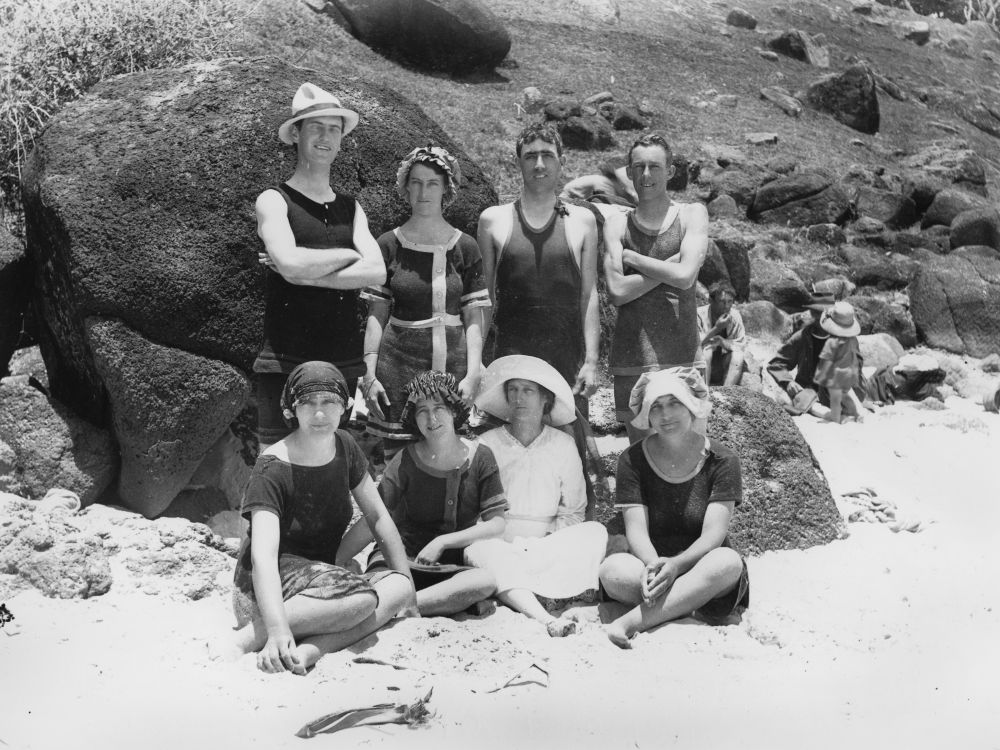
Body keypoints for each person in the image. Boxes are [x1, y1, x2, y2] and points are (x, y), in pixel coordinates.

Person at [221, 361, 414, 674]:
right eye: (307, 403)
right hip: (265, 592)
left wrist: (409, 592)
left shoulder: (345, 446)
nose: (319, 414)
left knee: (400, 586)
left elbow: (377, 516)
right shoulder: (272, 468)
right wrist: (277, 630)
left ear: (346, 406)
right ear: (290, 410)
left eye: (329, 402)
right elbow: (263, 558)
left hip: (323, 577)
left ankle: (314, 648)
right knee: (363, 601)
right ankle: (249, 638)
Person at [254, 82, 386, 449]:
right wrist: (349, 256)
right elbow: (290, 263)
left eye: (334, 128)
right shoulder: (273, 200)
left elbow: (377, 272)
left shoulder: (351, 207)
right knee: (274, 466)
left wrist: (308, 273)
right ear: (296, 133)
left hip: (342, 360)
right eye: (316, 127)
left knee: (334, 469)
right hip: (283, 359)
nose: (326, 137)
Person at [598, 367, 749, 649]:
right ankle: (684, 605)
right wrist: (655, 566)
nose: (666, 415)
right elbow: (636, 530)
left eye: (674, 403)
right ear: (646, 414)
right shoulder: (631, 460)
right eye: (656, 407)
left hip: (701, 565)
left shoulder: (724, 460)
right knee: (612, 571)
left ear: (692, 405)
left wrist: (676, 565)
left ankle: (630, 622)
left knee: (728, 563)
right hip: (649, 565)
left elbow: (713, 536)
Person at [464, 356, 608, 637]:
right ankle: (545, 617)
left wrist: (545, 542)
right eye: (513, 390)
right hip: (500, 540)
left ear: (545, 399)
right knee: (480, 551)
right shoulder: (488, 443)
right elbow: (475, 506)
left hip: (548, 543)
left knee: (595, 532)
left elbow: (574, 509)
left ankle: (518, 591)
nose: (519, 398)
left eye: (528, 390)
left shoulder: (563, 444)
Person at [360, 146, 490, 450]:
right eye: (415, 182)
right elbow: (376, 315)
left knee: (450, 457)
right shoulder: (389, 244)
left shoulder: (466, 247)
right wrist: (368, 373)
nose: (423, 191)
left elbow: (474, 317)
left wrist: (472, 374)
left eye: (432, 183)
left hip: (454, 371)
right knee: (399, 462)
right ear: (405, 187)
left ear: (446, 188)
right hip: (398, 369)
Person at [352, 371, 507, 616]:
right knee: (383, 581)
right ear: (413, 417)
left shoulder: (481, 456)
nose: (431, 418)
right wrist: (336, 559)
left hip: (450, 565)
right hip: (399, 558)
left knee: (484, 581)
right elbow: (373, 518)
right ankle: (410, 603)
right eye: (422, 410)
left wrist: (443, 542)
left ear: (454, 410)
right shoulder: (405, 459)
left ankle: (402, 606)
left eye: (439, 408)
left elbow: (497, 523)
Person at [477, 122, 600, 407]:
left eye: (548, 155)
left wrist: (591, 362)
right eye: (530, 156)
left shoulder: (583, 221)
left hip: (566, 363)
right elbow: (485, 297)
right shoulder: (493, 220)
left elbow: (588, 294)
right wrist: (475, 362)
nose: (539, 164)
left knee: (570, 445)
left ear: (562, 162)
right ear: (518, 162)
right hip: (511, 362)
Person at [603, 133, 709, 442]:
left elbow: (687, 276)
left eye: (655, 166)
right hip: (632, 361)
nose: (646, 175)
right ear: (629, 171)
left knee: (689, 459)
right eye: (638, 167)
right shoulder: (617, 224)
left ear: (671, 172)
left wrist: (634, 257)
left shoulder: (691, 214)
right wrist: (671, 266)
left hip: (683, 358)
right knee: (642, 460)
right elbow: (618, 292)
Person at [766, 291, 866, 420]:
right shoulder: (801, 337)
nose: (819, 317)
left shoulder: (847, 338)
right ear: (812, 313)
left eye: (822, 313)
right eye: (816, 313)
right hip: (811, 387)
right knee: (802, 399)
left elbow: (857, 366)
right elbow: (777, 363)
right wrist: (788, 382)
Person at [813, 301, 864, 423]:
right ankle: (857, 413)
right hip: (850, 374)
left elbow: (827, 360)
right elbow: (856, 357)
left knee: (835, 399)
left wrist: (820, 375)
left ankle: (835, 419)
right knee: (846, 396)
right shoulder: (853, 340)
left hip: (837, 376)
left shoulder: (831, 342)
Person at [698, 280, 746, 386]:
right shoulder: (699, 314)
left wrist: (722, 341)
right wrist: (716, 328)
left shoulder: (735, 316)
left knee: (738, 356)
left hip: (722, 365)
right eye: (722, 301)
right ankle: (704, 393)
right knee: (707, 351)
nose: (727, 306)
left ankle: (726, 393)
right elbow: (694, 344)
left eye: (730, 301)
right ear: (711, 300)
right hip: (701, 365)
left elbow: (741, 345)